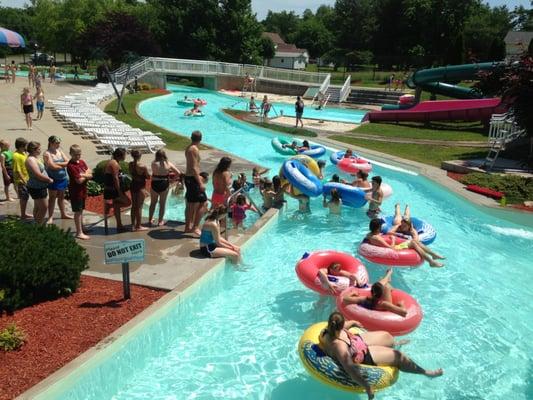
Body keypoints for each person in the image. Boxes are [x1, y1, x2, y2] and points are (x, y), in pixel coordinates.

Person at [320, 311, 443, 400]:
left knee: (387, 337)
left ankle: (396, 343)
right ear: (339, 327)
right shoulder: (339, 347)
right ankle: (426, 372)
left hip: (356, 342)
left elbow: (344, 326)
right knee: (398, 356)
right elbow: (350, 369)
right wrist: (368, 388)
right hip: (362, 355)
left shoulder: (329, 329)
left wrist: (353, 323)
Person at [365, 218, 445, 268]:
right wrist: (393, 239)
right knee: (413, 243)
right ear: (378, 227)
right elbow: (391, 248)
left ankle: (434, 255)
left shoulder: (370, 235)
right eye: (381, 226)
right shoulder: (378, 238)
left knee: (414, 242)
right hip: (394, 250)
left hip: (390, 247)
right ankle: (431, 262)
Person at [341, 269, 407, 316]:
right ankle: (388, 277)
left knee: (381, 284)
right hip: (384, 312)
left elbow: (345, 299)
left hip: (373, 302)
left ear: (371, 291)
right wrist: (401, 304)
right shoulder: (384, 304)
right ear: (382, 294)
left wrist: (352, 293)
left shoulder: (365, 299)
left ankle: (388, 275)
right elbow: (404, 313)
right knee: (387, 286)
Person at [149, 149, 181, 227]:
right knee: (162, 204)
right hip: (164, 183)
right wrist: (172, 180)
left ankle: (150, 219)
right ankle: (160, 221)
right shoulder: (168, 164)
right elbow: (178, 173)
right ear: (164, 155)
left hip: (155, 183)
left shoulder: (153, 163)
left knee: (153, 203)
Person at [44, 136, 72, 224]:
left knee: (61, 197)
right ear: (51, 143)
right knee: (52, 198)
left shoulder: (60, 151)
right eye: (57, 143)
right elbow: (52, 167)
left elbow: (69, 162)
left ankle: (63, 214)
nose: (58, 145)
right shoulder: (47, 154)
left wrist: (57, 163)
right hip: (53, 179)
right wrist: (62, 164)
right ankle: (50, 217)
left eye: (59, 143)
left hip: (63, 178)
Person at [66, 145, 92, 240]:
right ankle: (79, 232)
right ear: (71, 154)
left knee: (81, 210)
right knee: (78, 212)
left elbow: (90, 173)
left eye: (79, 154)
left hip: (83, 190)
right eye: (75, 155)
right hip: (76, 192)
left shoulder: (81, 162)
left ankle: (82, 228)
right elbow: (79, 181)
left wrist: (83, 174)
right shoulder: (71, 166)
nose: (78, 156)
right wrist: (86, 175)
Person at [25, 141, 53, 225]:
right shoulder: (30, 160)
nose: (40, 150)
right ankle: (39, 225)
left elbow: (43, 169)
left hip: (40, 186)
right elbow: (37, 175)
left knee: (37, 206)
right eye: (39, 149)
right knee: (44, 207)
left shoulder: (36, 157)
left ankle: (36, 223)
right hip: (36, 187)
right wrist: (49, 180)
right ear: (34, 149)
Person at [103, 148, 131, 232]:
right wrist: (119, 191)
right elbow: (115, 178)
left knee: (117, 206)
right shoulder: (114, 163)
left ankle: (119, 225)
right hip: (113, 189)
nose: (125, 156)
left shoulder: (114, 162)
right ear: (120, 155)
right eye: (125, 154)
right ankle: (110, 206)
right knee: (128, 202)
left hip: (112, 188)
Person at [184, 131, 205, 235]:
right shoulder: (193, 149)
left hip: (190, 178)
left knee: (191, 204)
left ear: (191, 137)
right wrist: (200, 182)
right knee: (204, 202)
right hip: (192, 179)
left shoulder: (189, 148)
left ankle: (188, 226)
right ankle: (195, 227)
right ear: (200, 139)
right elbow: (194, 167)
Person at [129, 150, 150, 231]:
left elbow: (132, 174)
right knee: (139, 206)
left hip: (133, 185)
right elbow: (148, 177)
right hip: (140, 186)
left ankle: (132, 225)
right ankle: (138, 226)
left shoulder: (130, 164)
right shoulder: (142, 166)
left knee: (133, 205)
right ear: (140, 156)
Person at [12, 138, 31, 219]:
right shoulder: (16, 155)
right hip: (21, 181)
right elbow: (17, 170)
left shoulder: (23, 153)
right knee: (23, 197)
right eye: (25, 145)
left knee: (26, 197)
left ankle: (24, 213)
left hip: (27, 178)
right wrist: (24, 181)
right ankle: (23, 214)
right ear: (21, 146)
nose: (27, 147)